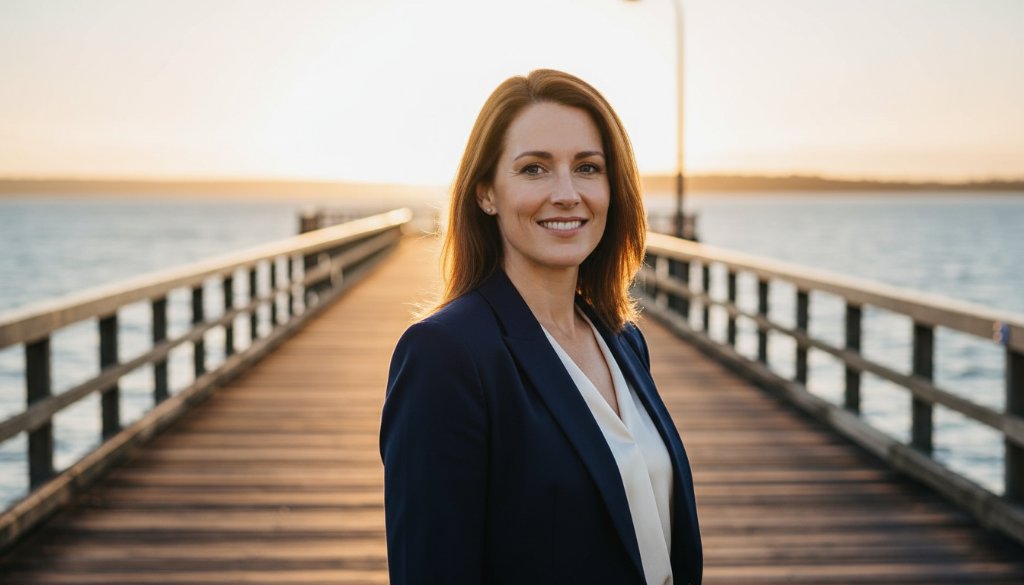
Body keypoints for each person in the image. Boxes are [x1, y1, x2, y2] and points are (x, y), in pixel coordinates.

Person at [379, 69, 702, 585]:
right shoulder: (445, 355)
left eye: (588, 168)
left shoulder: (623, 340)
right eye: (534, 169)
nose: (568, 193)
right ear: (486, 193)